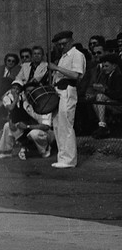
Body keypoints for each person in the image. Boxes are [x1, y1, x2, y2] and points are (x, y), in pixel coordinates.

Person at [48, 30, 85, 170]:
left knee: (66, 125)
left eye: (63, 44)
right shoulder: (63, 56)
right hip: (59, 91)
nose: (61, 46)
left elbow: (76, 75)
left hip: (68, 90)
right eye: (59, 45)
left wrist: (56, 67)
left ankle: (69, 160)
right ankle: (62, 157)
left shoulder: (77, 55)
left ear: (71, 41)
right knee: (58, 125)